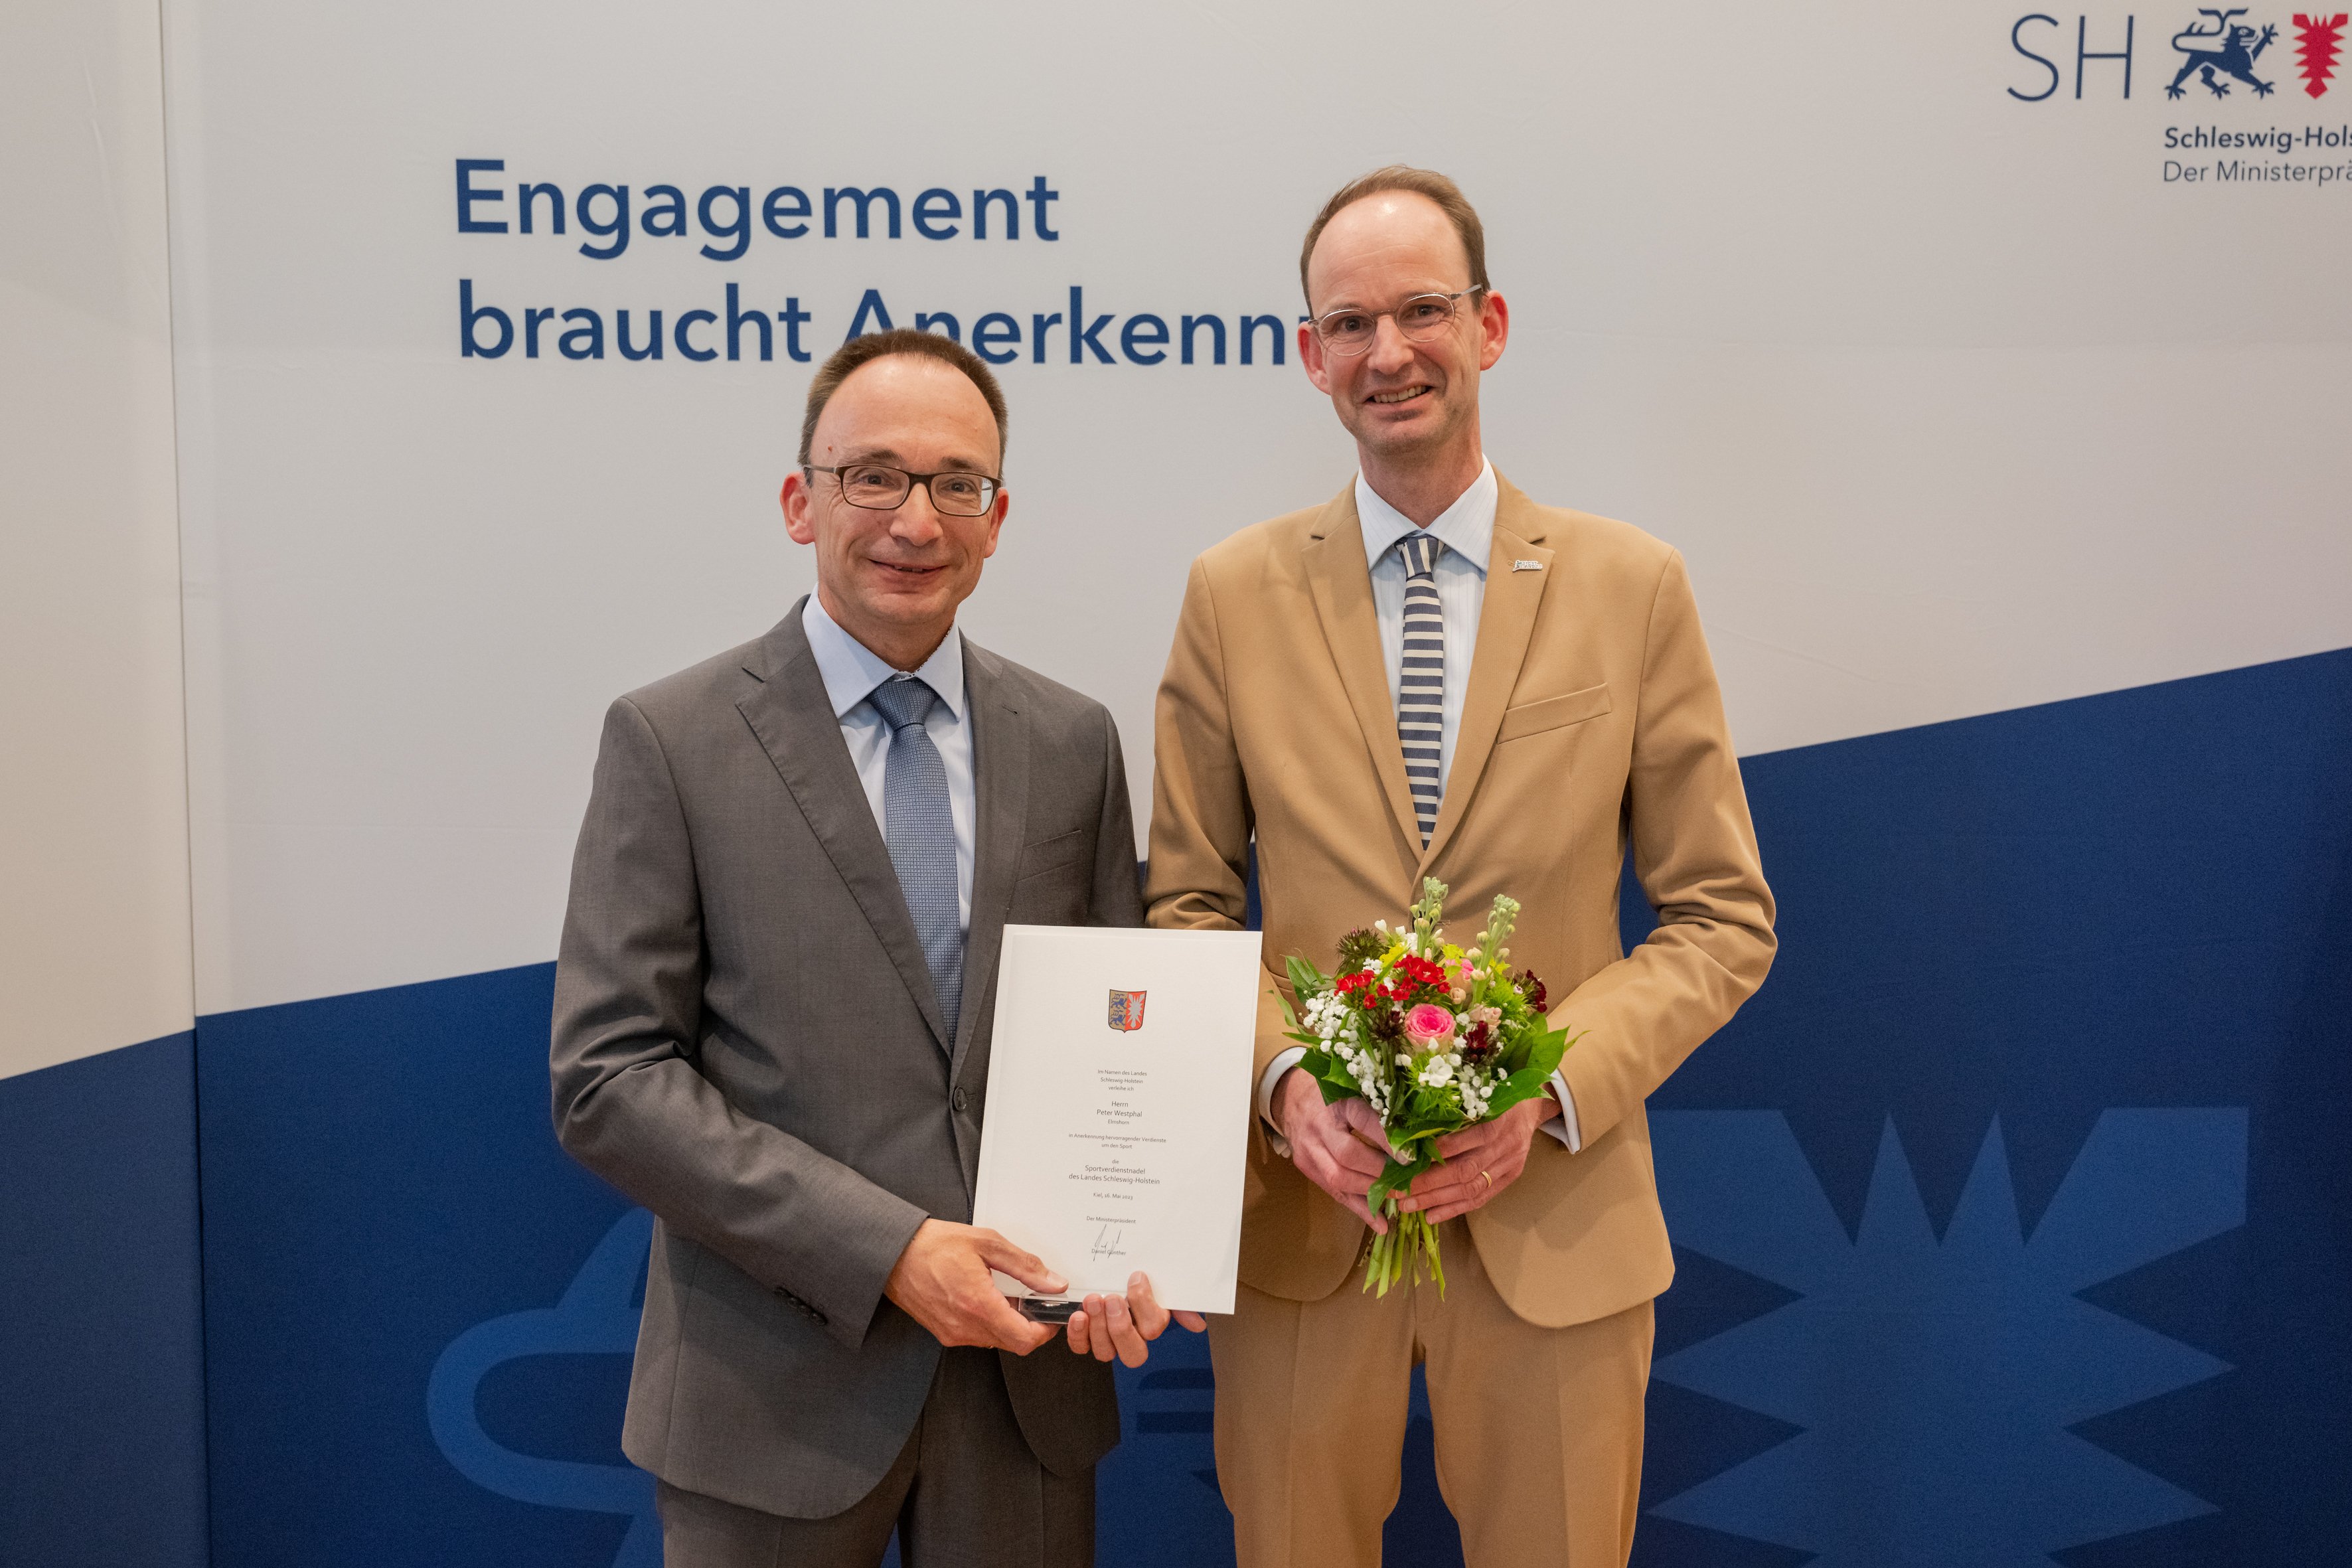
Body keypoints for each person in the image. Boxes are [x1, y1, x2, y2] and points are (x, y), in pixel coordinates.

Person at [1146, 168, 1777, 1567]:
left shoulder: (1632, 586)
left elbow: (1721, 917)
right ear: (1307, 356)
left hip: (1554, 1221)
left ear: (1488, 324)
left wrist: (1547, 1088)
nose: (1389, 352)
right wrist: (1281, 1084)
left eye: (1422, 309)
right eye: (1350, 322)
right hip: (1309, 1227)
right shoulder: (1228, 594)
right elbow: (1184, 904)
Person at [550, 327, 1200, 1568]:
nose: (917, 517)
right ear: (803, 500)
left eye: (958, 483)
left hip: (1026, 1382)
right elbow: (609, 1079)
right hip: (771, 1393)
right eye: (876, 476)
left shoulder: (1073, 741)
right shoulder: (673, 739)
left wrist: (1135, 1244)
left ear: (998, 518)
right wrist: (890, 1251)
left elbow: (1127, 1035)